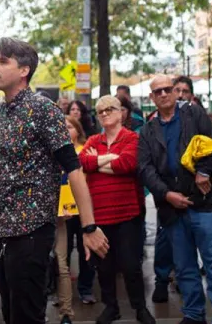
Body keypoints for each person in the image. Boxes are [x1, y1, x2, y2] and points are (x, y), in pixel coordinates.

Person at [0, 37, 108, 324]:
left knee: (27, 316)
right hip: (3, 234)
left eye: (2, 61)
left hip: (32, 234)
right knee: (10, 314)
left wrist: (89, 226)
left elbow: (73, 168)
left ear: (24, 70)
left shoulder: (44, 110)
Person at [138, 74, 212, 324]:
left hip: (204, 203)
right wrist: (167, 194)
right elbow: (145, 168)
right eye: (157, 91)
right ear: (151, 97)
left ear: (175, 92)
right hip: (172, 208)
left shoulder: (193, 115)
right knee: (184, 267)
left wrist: (204, 172)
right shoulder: (148, 130)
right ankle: (194, 314)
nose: (162, 94)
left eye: (167, 89)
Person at [79, 96, 155, 324]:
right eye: (100, 111)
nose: (104, 114)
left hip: (128, 214)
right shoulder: (93, 139)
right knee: (104, 268)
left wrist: (98, 162)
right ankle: (111, 308)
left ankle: (140, 308)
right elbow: (83, 162)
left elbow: (127, 165)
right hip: (100, 216)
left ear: (122, 112)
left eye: (110, 109)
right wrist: (110, 158)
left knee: (131, 266)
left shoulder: (132, 138)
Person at [53, 117, 87, 324]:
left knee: (62, 263)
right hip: (37, 215)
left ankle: (66, 312)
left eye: (69, 127)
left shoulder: (79, 152)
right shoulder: (45, 151)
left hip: (62, 216)